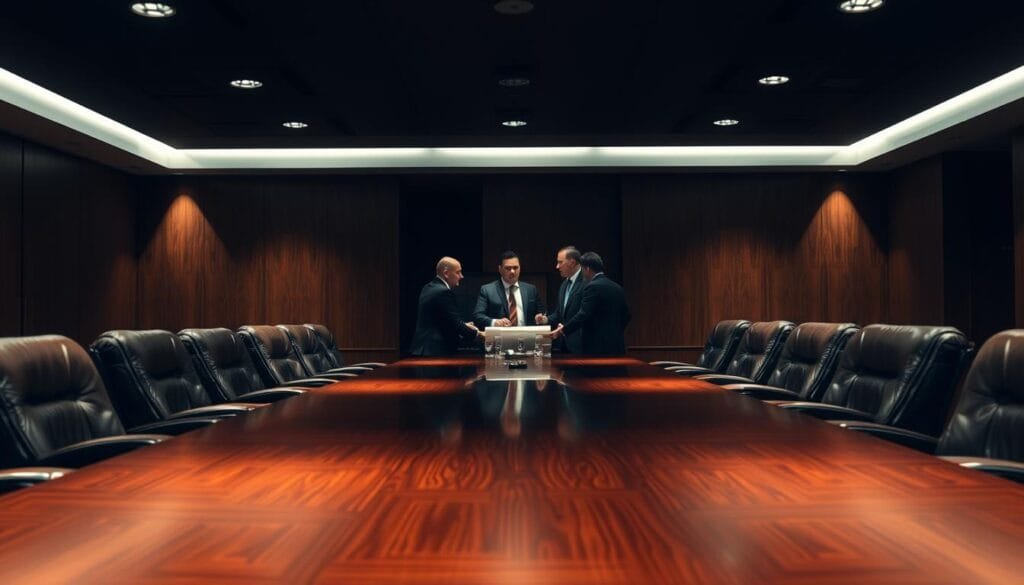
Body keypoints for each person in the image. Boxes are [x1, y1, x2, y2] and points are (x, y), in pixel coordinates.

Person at [549, 252, 631, 355]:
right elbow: (627, 315)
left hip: (597, 349)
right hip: (617, 347)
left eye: (582, 270)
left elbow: (583, 314)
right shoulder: (617, 287)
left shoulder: (592, 287)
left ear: (587, 269)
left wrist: (563, 330)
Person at [409, 256, 483, 356]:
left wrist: (463, 325)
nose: (461, 276)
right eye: (458, 272)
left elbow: (441, 321)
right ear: (446, 273)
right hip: (435, 353)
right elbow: (455, 325)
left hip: (423, 350)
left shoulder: (428, 287)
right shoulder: (443, 292)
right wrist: (479, 334)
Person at [473, 250, 546, 330]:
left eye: (515, 267)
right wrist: (495, 322)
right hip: (500, 339)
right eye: (508, 268)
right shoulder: (487, 290)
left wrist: (540, 317)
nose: (512, 271)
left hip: (526, 338)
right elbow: (478, 316)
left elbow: (542, 314)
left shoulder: (531, 290)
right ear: (500, 269)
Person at [536, 245, 585, 353]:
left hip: (582, 345)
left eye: (560, 262)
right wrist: (545, 319)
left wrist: (564, 329)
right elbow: (559, 313)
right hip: (564, 345)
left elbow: (585, 314)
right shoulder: (564, 284)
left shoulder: (587, 281)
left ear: (572, 262)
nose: (557, 266)